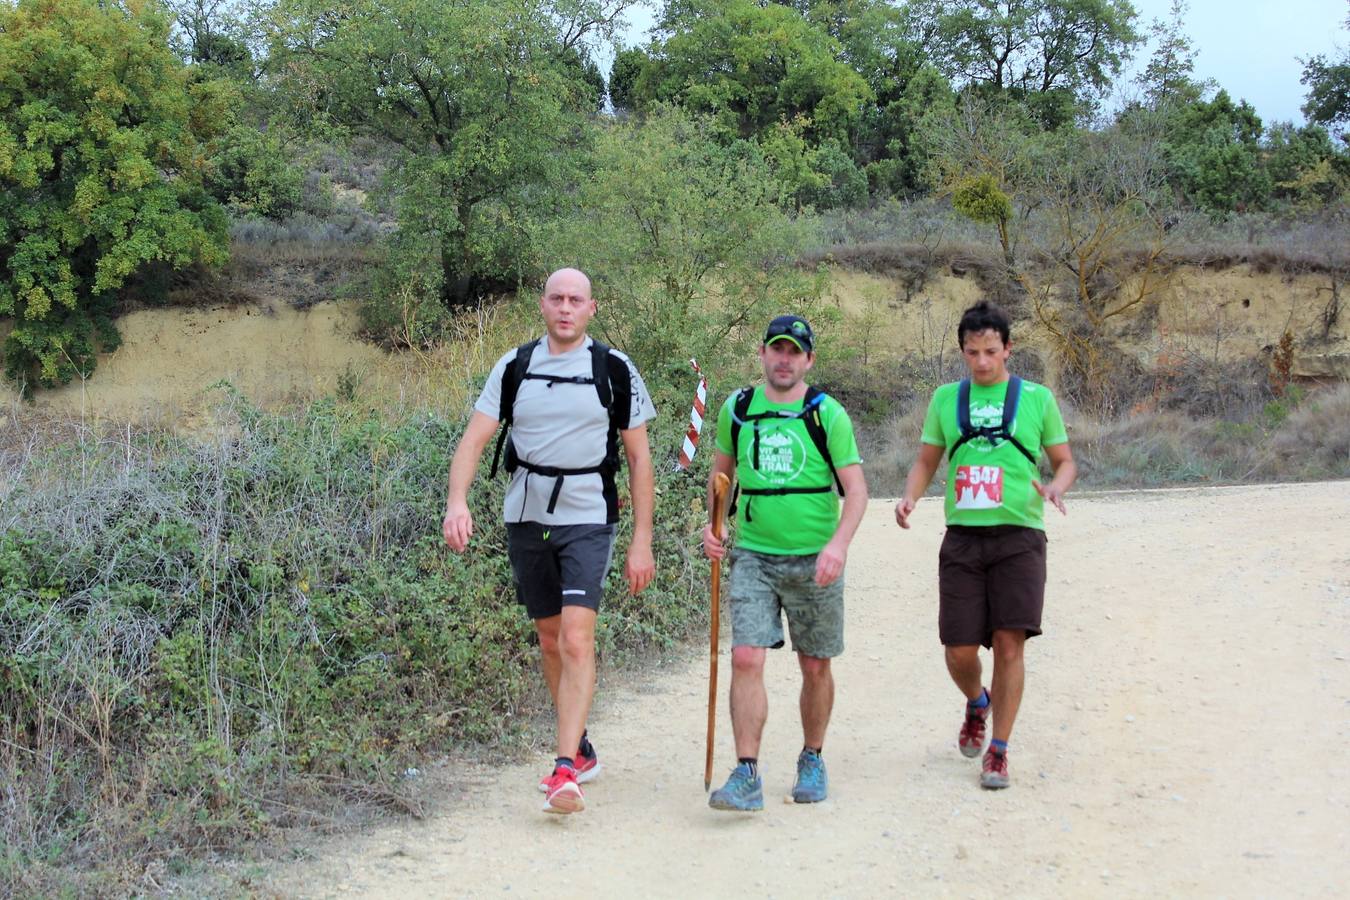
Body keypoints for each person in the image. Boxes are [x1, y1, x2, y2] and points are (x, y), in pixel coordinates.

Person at [442, 268, 656, 815]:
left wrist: (642, 541)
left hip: (588, 513)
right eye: (557, 298)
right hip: (526, 514)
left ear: (592, 308)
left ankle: (564, 769)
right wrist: (457, 501)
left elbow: (638, 459)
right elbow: (473, 440)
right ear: (543, 305)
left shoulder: (614, 369)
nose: (565, 308)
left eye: (575, 300)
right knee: (550, 637)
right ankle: (579, 746)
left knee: (578, 640)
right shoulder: (514, 366)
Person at [894, 300, 1076, 789]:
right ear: (962, 352)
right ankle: (978, 702)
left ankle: (998, 749)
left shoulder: (1036, 399)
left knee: (1009, 644)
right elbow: (927, 459)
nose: (981, 362)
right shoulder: (945, 400)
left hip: (1019, 536)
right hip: (963, 540)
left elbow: (1064, 461)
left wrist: (1056, 486)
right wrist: (910, 496)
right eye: (972, 352)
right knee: (957, 649)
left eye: (990, 351)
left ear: (1008, 349)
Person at [702, 314, 868, 812]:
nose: (784, 358)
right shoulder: (739, 409)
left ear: (809, 360)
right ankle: (746, 771)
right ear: (762, 354)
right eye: (777, 349)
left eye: (794, 351)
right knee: (746, 656)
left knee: (814, 664)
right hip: (755, 556)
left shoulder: (827, 414)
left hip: (815, 558)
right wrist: (714, 524)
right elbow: (721, 479)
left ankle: (812, 756)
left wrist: (838, 545)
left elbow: (856, 491)